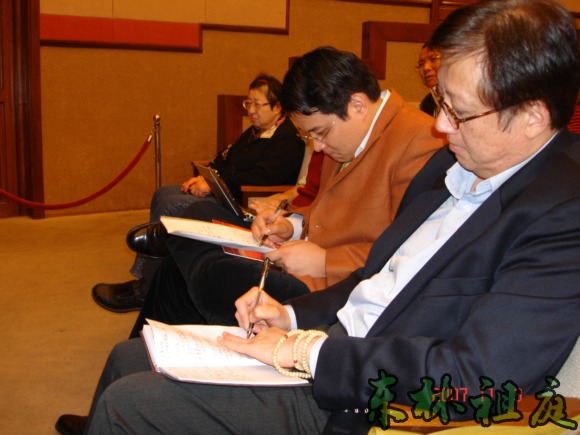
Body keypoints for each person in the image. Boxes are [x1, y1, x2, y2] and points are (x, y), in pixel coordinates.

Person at [55, 0, 580, 433]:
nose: (441, 125)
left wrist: (305, 351)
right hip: (331, 338)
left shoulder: (561, 216)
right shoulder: (453, 165)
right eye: (440, 101)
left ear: (532, 117)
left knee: (131, 403)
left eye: (459, 112)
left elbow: (475, 379)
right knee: (129, 359)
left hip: (360, 399)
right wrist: (290, 317)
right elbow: (376, 278)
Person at [125, 46, 446, 337]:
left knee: (209, 272)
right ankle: (150, 346)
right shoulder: (348, 134)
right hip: (300, 257)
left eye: (319, 133)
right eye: (310, 137)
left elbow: (409, 255)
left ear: (358, 105)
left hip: (329, 289)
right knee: (196, 219)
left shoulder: (420, 143)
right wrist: (290, 225)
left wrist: (324, 261)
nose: (318, 147)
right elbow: (326, 207)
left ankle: (181, 244)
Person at [91, 73, 305, 313]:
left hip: (244, 202)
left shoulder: (287, 140)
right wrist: (207, 177)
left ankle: (145, 291)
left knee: (172, 207)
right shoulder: (255, 132)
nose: (251, 110)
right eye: (248, 103)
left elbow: (262, 178)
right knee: (163, 194)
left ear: (277, 107)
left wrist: (216, 183)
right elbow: (227, 161)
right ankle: (146, 278)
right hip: (226, 191)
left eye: (257, 104)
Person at [416, 42, 441, 116]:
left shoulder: (465, 98)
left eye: (433, 59)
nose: (426, 68)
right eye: (421, 64)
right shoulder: (427, 103)